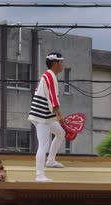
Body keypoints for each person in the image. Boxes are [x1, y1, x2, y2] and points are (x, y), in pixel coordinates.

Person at [28, 52, 66, 182]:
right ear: (55, 63)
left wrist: (56, 115)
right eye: (61, 62)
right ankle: (39, 175)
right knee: (43, 144)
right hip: (42, 116)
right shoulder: (49, 76)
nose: (63, 65)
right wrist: (59, 115)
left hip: (45, 114)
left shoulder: (49, 75)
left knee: (61, 133)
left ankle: (50, 160)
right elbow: (53, 97)